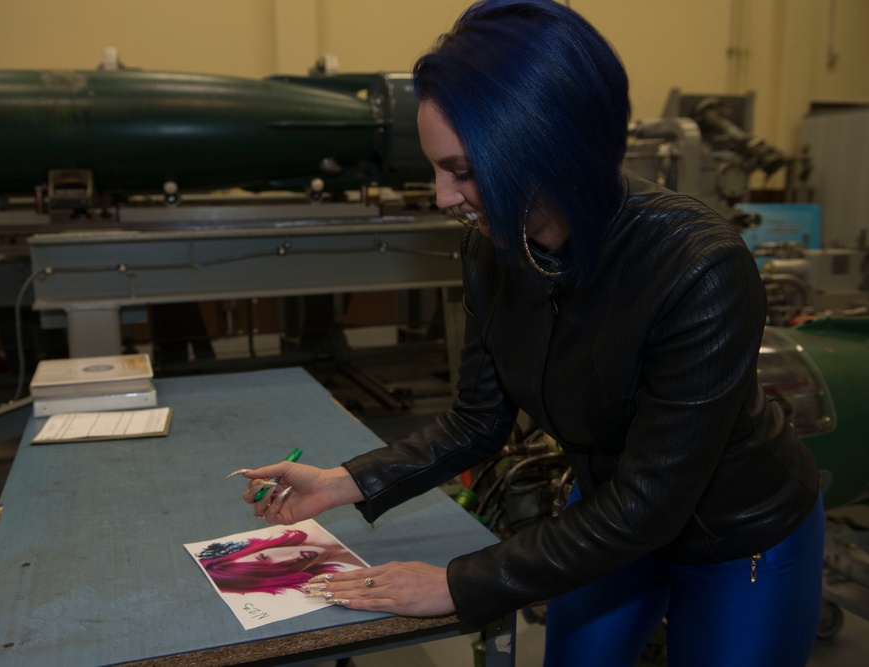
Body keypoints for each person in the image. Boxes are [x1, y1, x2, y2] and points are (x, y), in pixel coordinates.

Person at [235, 1, 824, 664]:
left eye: (460, 170)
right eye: (434, 169)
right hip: (603, 516)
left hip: (736, 538)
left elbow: (653, 502)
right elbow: (476, 422)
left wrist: (459, 583)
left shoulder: (698, 267)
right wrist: (339, 481)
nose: (441, 197)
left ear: (547, 144)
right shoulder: (493, 247)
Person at [196, 528, 363, 594]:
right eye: (279, 572)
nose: (292, 558)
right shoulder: (358, 572)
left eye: (264, 557)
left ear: (257, 548)